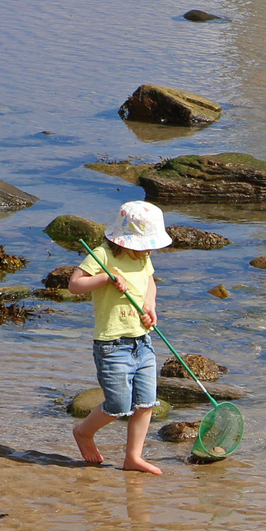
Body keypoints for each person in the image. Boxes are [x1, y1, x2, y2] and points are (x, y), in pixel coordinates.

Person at [68, 199, 172, 474]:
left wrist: (151, 307)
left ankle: (133, 457)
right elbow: (75, 285)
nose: (148, 249)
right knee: (117, 406)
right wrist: (104, 278)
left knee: (146, 403)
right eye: (143, 244)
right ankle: (83, 432)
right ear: (125, 240)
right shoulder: (103, 254)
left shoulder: (144, 258)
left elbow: (149, 282)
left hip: (143, 341)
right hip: (112, 344)